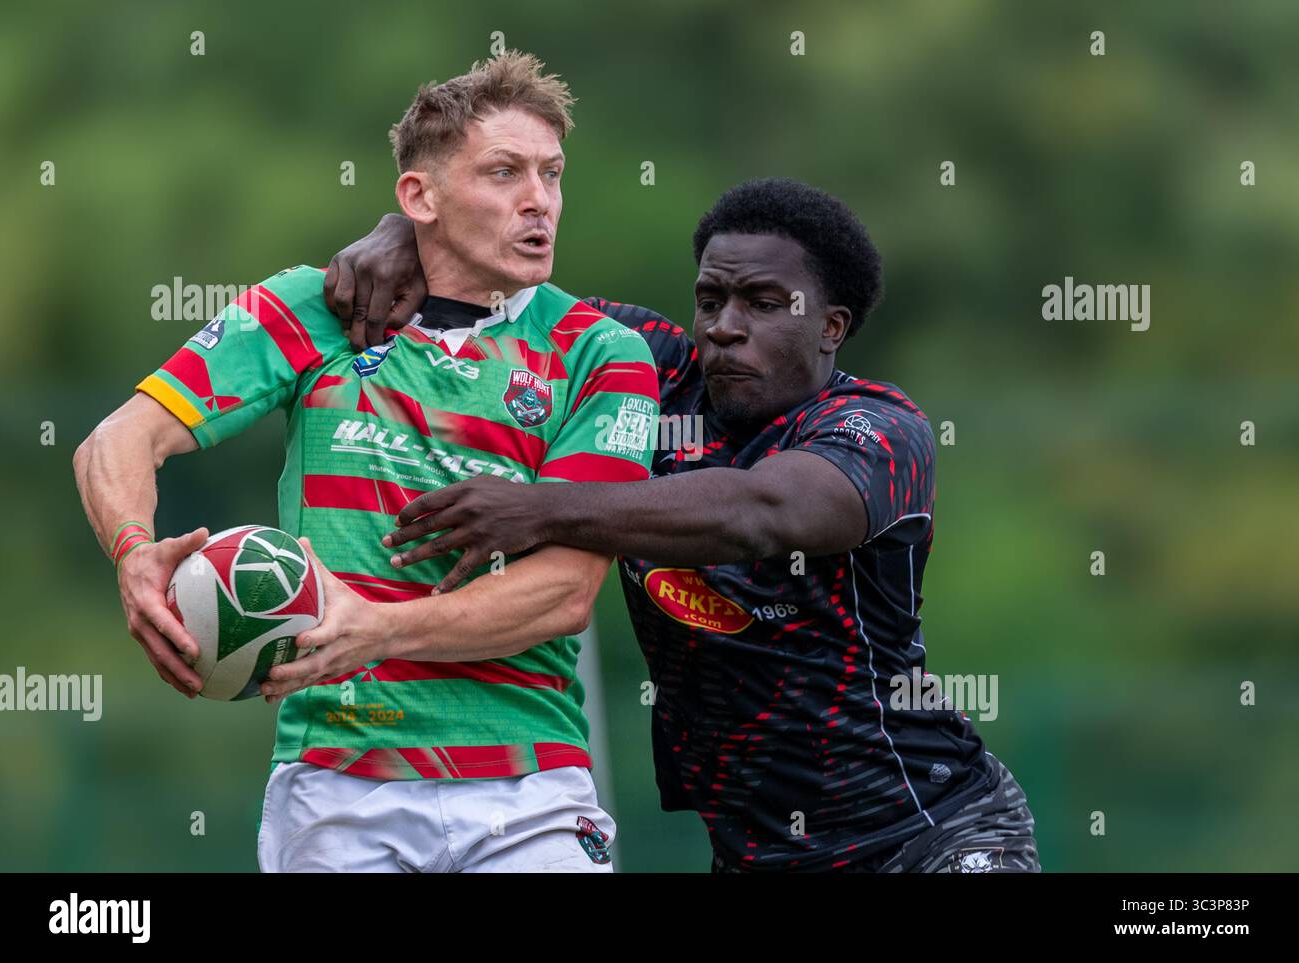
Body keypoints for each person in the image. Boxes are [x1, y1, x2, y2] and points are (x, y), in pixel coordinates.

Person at [324, 177, 1040, 872]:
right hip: (754, 852)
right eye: (711, 299)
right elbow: (497, 279)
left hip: (927, 832)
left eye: (762, 303)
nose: (725, 327)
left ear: (831, 326)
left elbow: (763, 513)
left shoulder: (881, 430)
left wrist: (540, 506)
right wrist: (410, 236)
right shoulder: (645, 368)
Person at [72, 52, 660, 873]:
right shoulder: (310, 308)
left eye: (552, 174)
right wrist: (136, 556)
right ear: (419, 197)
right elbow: (117, 439)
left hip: (530, 791)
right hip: (338, 784)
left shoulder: (603, 352)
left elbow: (565, 591)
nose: (540, 200)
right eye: (504, 172)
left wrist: (379, 629)